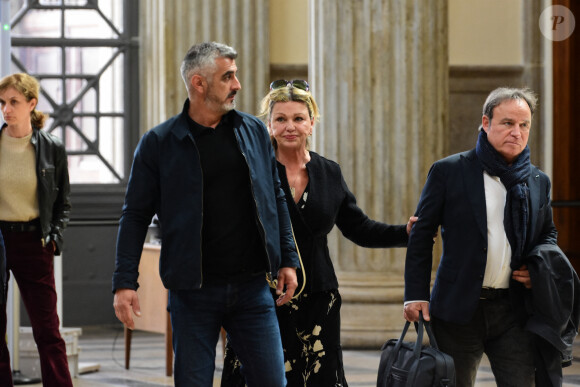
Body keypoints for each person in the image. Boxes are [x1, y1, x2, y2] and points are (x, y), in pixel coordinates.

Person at [112, 42, 300, 386]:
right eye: (227, 76)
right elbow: (135, 215)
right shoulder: (159, 143)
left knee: (273, 382)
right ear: (199, 83)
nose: (237, 85)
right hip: (192, 291)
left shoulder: (253, 131)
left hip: (252, 288)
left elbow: (276, 197)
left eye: (235, 75)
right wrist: (125, 282)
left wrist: (288, 258)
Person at [222, 80, 416, 386]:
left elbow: (359, 228)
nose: (290, 127)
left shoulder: (329, 172)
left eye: (298, 118)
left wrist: (405, 233)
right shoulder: (253, 171)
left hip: (319, 298)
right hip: (263, 296)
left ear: (312, 124)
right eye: (281, 119)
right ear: (268, 126)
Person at [403, 87, 562, 386]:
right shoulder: (449, 171)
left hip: (515, 310)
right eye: (507, 123)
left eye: (524, 125)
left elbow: (547, 233)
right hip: (458, 308)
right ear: (486, 123)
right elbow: (422, 234)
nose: (516, 132)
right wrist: (415, 293)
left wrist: (538, 267)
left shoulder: (538, 180)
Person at [0, 73, 72, 386]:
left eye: (14, 102)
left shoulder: (51, 148)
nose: (6, 109)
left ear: (32, 103)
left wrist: (53, 238)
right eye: (2, 102)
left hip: (34, 239)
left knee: (47, 329)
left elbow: (63, 203)